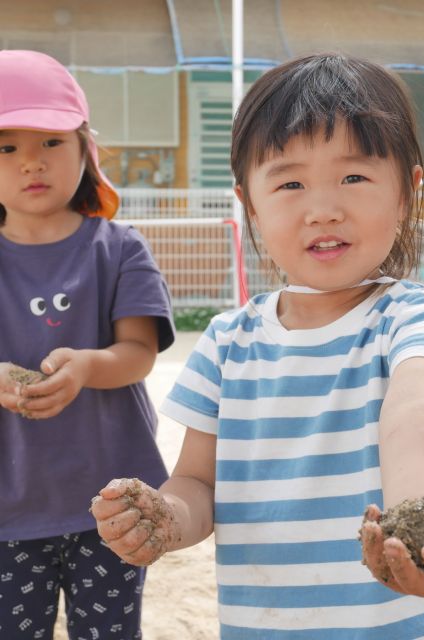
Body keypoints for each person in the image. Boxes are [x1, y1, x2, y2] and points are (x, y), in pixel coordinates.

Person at [91, 52, 424, 639]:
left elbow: (418, 407)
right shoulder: (228, 342)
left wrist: (417, 518)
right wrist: (166, 521)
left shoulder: (410, 315)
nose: (323, 209)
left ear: (407, 192)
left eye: (354, 176)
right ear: (250, 202)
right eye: (290, 182)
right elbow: (198, 483)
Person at [0, 50, 175, 639]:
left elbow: (138, 353)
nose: (31, 162)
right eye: (7, 148)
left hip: (111, 503)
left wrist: (83, 367)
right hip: (9, 504)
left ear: (85, 149)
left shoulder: (119, 247)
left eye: (50, 141)